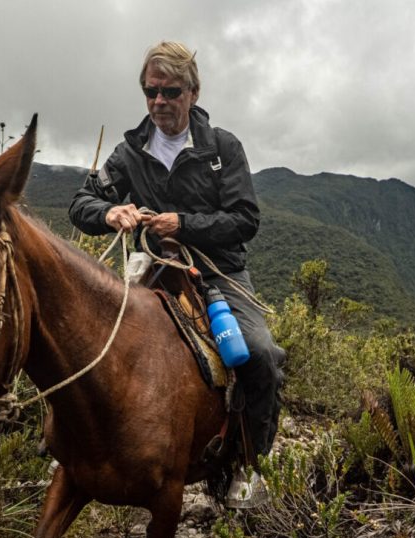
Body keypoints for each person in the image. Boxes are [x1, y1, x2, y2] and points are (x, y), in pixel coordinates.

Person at [69, 41, 285, 508]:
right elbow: (80, 204)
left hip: (217, 272)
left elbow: (245, 219)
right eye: (151, 92)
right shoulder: (129, 152)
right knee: (87, 341)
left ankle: (250, 464)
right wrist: (110, 214)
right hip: (151, 269)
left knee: (261, 353)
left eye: (170, 91)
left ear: (193, 91)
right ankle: (72, 446)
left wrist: (183, 223)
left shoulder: (222, 148)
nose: (159, 102)